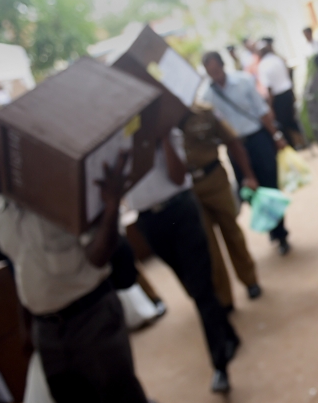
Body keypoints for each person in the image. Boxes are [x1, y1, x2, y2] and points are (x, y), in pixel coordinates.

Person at [0, 115, 150, 403]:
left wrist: (110, 207)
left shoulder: (60, 195)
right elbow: (20, 268)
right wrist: (28, 329)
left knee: (118, 396)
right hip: (46, 331)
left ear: (10, 152)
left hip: (92, 319)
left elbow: (98, 257)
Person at [124, 128, 240, 393]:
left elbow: (178, 177)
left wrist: (162, 139)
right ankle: (230, 335)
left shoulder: (166, 130)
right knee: (194, 287)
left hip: (180, 210)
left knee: (200, 288)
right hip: (149, 222)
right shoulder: (114, 142)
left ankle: (220, 364)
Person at [202, 52, 291, 255]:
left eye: (216, 69)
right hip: (235, 148)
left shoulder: (243, 81)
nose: (214, 74)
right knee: (251, 190)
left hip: (257, 140)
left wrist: (276, 136)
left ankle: (280, 232)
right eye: (210, 71)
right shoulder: (207, 95)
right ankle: (271, 226)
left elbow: (261, 111)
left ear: (222, 66)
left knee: (270, 185)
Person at [182, 106, 263, 309]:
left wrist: (248, 175)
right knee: (208, 245)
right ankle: (224, 298)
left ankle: (250, 279)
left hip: (215, 179)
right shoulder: (162, 121)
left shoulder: (205, 112)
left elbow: (233, 142)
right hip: (189, 189)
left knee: (232, 231)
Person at [256, 37, 303, 148]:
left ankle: (292, 145)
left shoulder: (263, 65)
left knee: (283, 124)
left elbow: (269, 88)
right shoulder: (278, 59)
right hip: (288, 93)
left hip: (278, 98)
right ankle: (303, 140)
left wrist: (270, 106)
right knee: (292, 120)